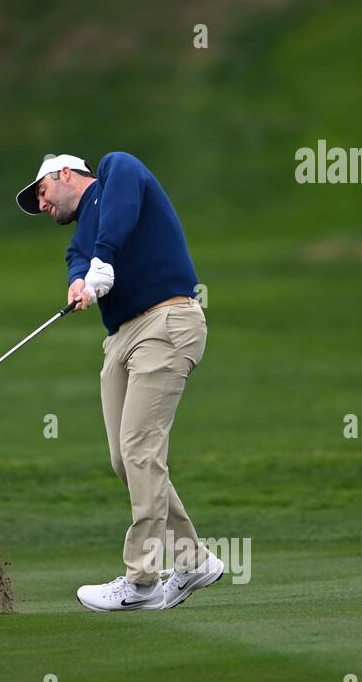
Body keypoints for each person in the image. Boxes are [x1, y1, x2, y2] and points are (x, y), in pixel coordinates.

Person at [16, 152, 224, 612]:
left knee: (139, 450)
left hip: (167, 321)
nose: (43, 206)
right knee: (125, 459)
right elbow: (77, 255)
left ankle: (141, 580)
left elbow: (121, 197)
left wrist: (103, 260)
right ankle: (193, 562)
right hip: (122, 337)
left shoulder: (116, 170)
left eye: (43, 194)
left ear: (65, 173)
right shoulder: (83, 233)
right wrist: (79, 280)